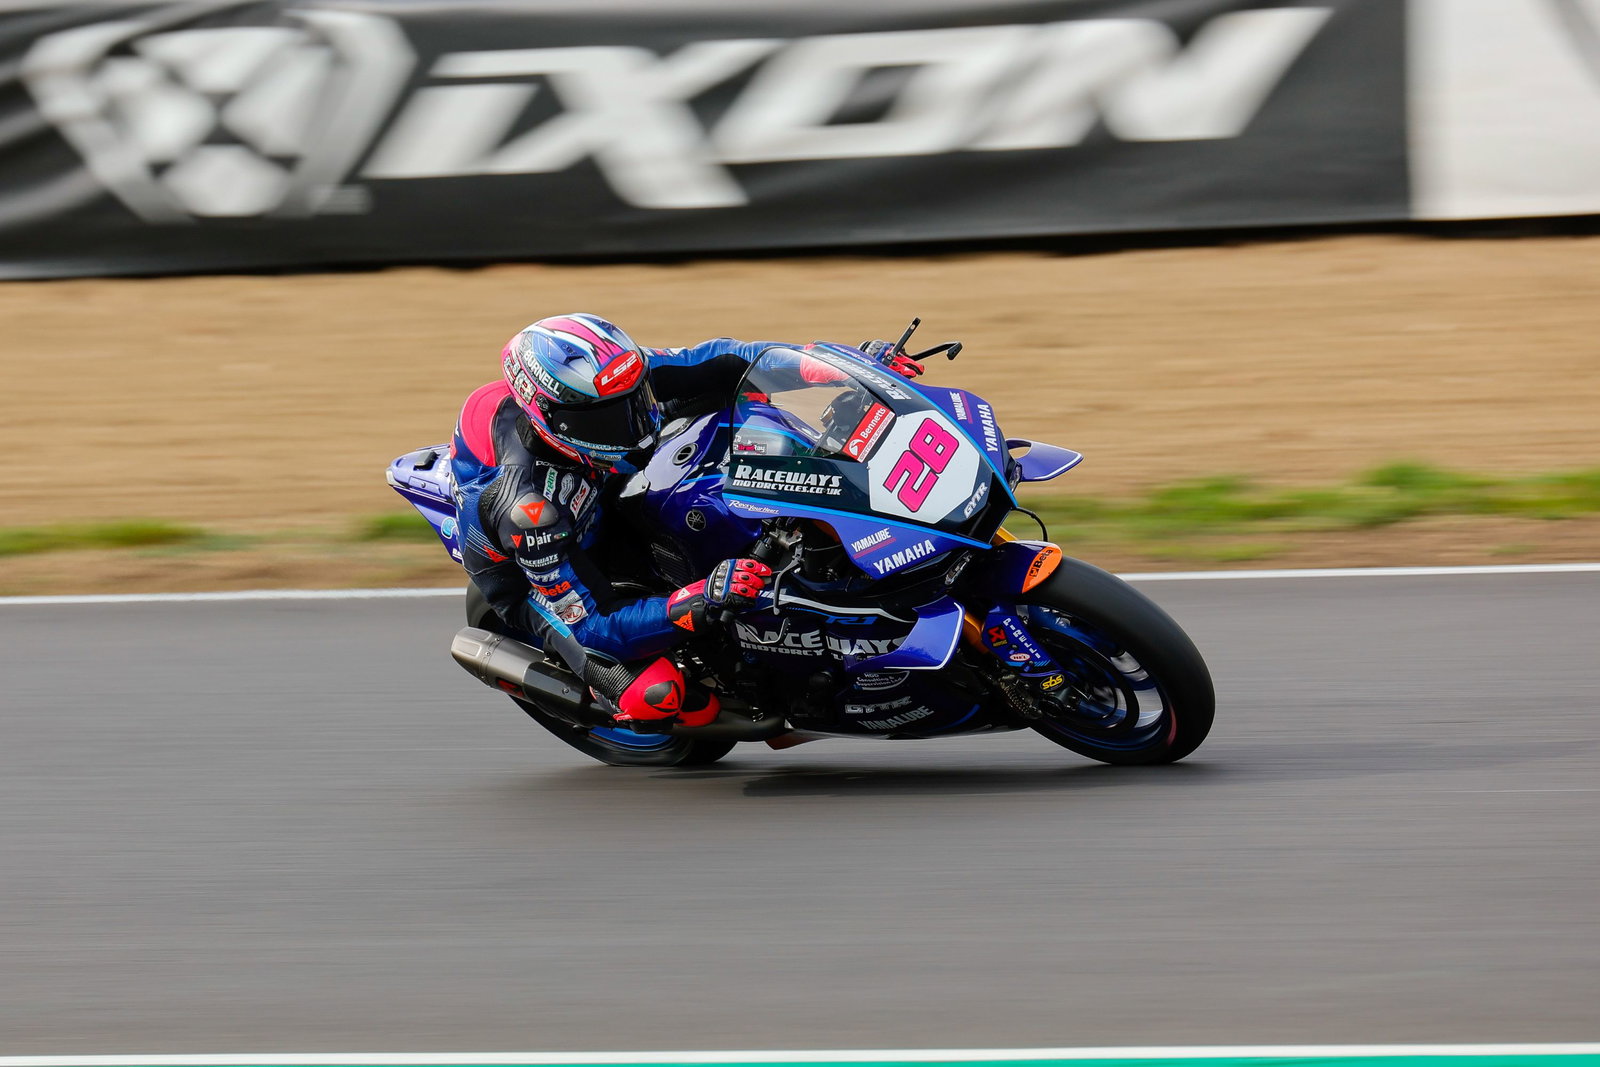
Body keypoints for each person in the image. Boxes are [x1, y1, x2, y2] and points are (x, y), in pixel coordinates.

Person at [449, 313, 925, 732]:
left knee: (732, 418)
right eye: (608, 420)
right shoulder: (528, 509)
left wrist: (842, 368)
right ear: (551, 418)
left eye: (634, 402)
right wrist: (702, 594)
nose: (635, 426)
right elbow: (599, 624)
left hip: (598, 486)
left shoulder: (609, 380)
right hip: (540, 573)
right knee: (657, 696)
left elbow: (726, 359)